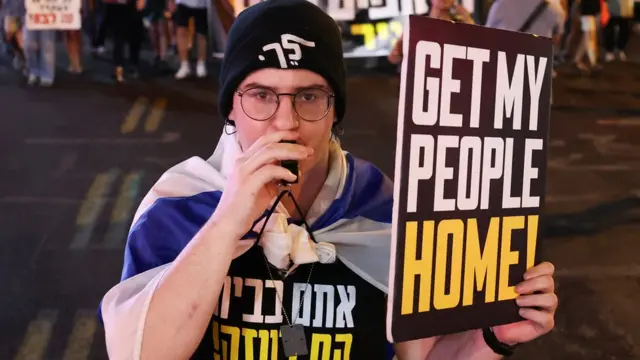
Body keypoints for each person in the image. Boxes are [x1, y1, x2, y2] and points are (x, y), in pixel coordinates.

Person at [99, 0, 558, 358]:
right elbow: (140, 352)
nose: (285, 123)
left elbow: (421, 355)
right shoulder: (179, 203)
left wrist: (492, 339)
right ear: (231, 108)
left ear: (335, 109)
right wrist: (226, 222)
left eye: (309, 96)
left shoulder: (381, 207)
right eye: (260, 95)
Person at [388, 0, 474, 65]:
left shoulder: (462, 24)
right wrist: (398, 52)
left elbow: (480, 49)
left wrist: (468, 20)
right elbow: (393, 58)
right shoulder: (417, 23)